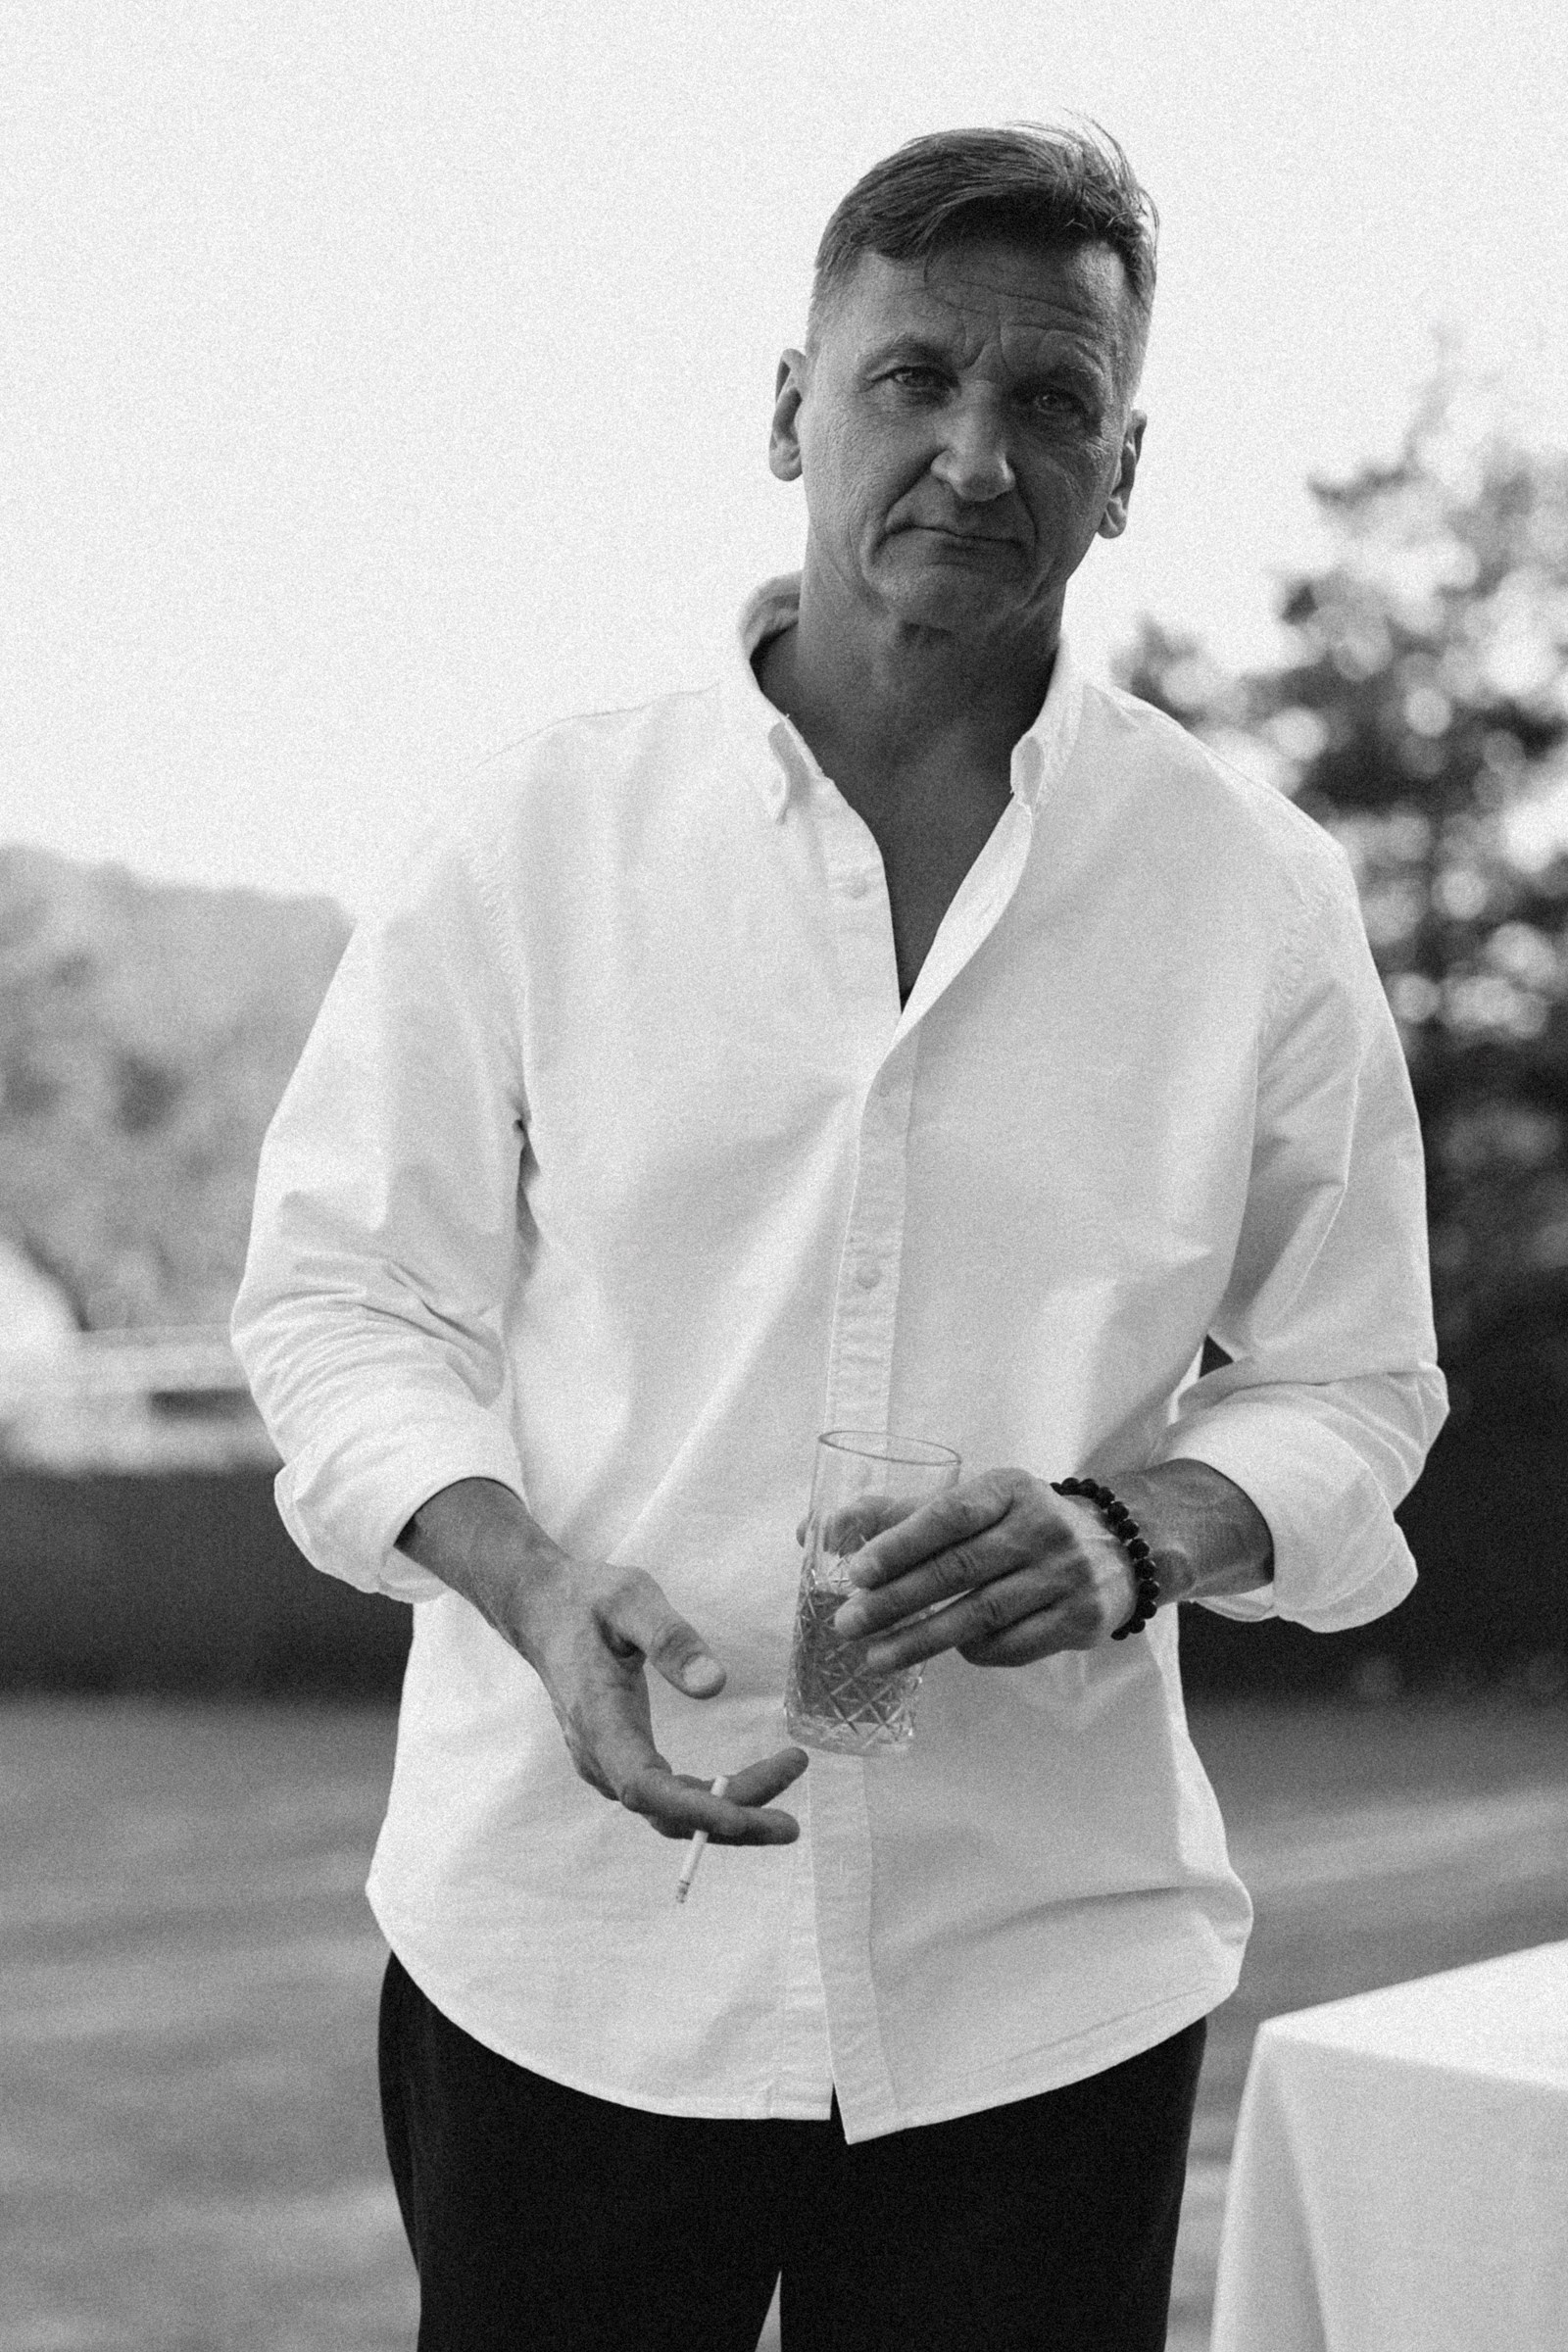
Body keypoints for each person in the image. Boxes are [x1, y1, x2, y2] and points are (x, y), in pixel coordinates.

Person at [232, 119, 1446, 2352]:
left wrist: (1128, 1535)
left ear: (1124, 465)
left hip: (1040, 1980)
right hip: (563, 1956)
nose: (977, 455)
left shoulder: (1253, 895)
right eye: (912, 379)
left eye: (1051, 398)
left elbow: (1353, 1379)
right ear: (792, 407)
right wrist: (522, 1576)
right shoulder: (535, 835)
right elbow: (340, 1302)